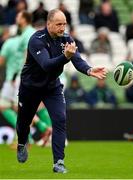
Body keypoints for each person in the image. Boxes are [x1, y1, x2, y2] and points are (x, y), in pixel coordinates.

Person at [16, 9, 107, 173]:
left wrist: (89, 70)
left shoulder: (66, 39)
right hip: (30, 88)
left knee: (60, 120)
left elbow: (77, 59)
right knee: (23, 123)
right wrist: (65, 56)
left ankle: (58, 162)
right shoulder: (36, 39)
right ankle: (22, 142)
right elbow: (46, 65)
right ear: (48, 24)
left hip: (52, 87)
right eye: (58, 24)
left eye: (64, 23)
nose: (62, 27)